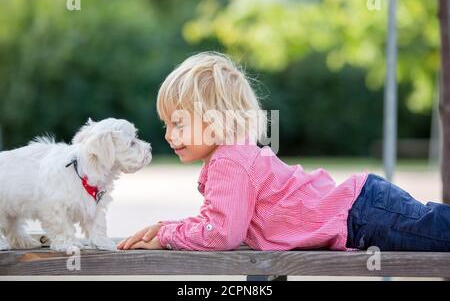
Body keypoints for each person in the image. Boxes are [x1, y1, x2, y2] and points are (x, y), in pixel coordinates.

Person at [117, 52, 450, 252]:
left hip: (365, 215)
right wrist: (167, 227)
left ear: (214, 119)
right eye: (166, 125)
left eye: (178, 123)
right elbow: (223, 222)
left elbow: (222, 234)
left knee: (439, 234)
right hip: (365, 209)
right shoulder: (233, 155)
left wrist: (169, 236)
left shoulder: (229, 162)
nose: (169, 136)